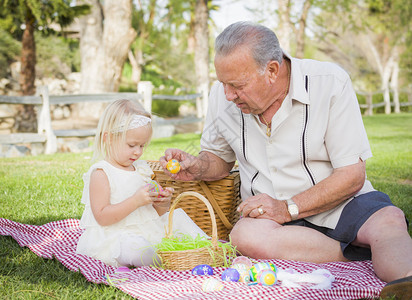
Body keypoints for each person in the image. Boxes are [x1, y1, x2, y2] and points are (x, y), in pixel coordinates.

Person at [160, 22, 412, 298]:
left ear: (272, 70)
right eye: (223, 84)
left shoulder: (329, 82)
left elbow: (352, 175)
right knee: (244, 236)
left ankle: (406, 280)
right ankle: (361, 251)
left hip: (340, 202)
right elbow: (218, 160)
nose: (228, 95)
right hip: (269, 221)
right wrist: (197, 167)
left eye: (237, 85)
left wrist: (287, 208)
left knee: (388, 220)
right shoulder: (222, 98)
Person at [76, 99, 206, 268]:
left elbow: (152, 214)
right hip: (117, 235)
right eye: (131, 145)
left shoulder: (141, 169)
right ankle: (162, 261)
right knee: (135, 248)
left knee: (179, 218)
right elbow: (102, 217)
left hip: (147, 229)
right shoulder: (102, 173)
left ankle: (207, 250)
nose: (138, 152)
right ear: (108, 138)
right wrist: (135, 201)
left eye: (142, 145)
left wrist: (162, 203)